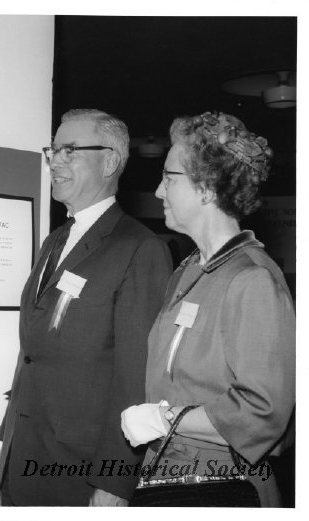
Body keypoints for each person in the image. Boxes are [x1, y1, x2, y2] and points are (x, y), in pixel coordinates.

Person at [0, 109, 172, 506]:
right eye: (54, 150)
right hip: (24, 453)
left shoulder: (140, 249)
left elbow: (136, 377)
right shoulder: (55, 240)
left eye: (70, 150)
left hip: (80, 472)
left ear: (110, 161)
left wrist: (115, 481)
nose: (55, 161)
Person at [120, 111, 295, 507]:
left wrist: (163, 420)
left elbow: (262, 411)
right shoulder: (187, 271)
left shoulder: (252, 280)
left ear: (207, 189)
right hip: (167, 479)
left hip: (221, 489)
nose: (159, 191)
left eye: (169, 177)